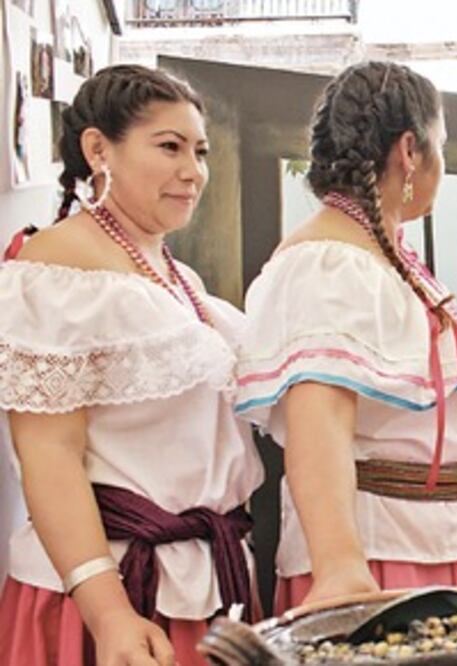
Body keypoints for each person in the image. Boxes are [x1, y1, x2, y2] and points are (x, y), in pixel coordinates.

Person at [0, 64, 263, 666]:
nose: (192, 171)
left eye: (200, 151)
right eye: (169, 147)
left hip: (198, 583)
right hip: (112, 590)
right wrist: (109, 613)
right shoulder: (56, 269)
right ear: (99, 149)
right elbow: (49, 456)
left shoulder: (172, 271)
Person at [233, 61, 457, 612]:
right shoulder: (326, 263)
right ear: (410, 150)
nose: (443, 164)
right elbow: (320, 420)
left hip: (452, 535)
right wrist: (340, 568)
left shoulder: (380, 253)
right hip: (385, 552)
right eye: (442, 145)